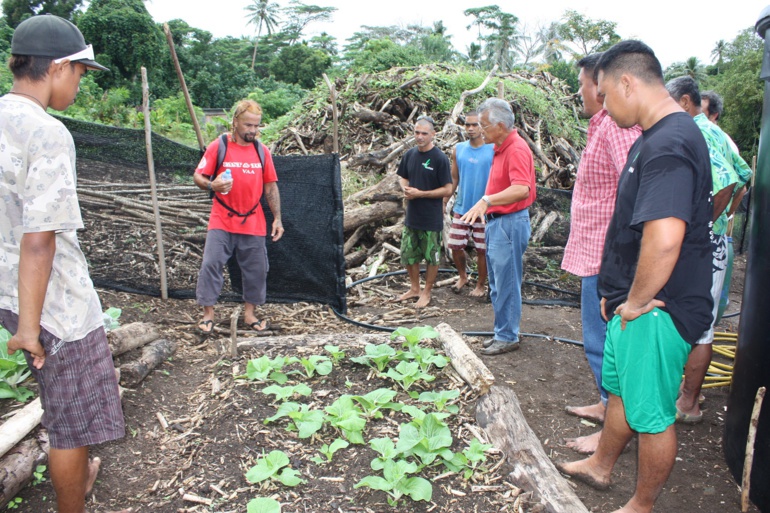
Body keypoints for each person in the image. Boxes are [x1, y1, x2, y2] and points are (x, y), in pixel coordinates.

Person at [556, 41, 713, 513]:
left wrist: (635, 301)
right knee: (623, 393)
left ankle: (641, 504)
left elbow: (665, 238)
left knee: (652, 415)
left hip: (656, 309)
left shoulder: (668, 143)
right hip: (636, 302)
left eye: (605, 94)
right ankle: (602, 465)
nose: (603, 105)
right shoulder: (654, 135)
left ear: (627, 82)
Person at [0, 14, 129, 513]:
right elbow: (40, 241)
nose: (78, 84)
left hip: (8, 291)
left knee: (63, 417)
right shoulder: (47, 132)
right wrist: (31, 328)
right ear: (56, 67)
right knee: (70, 424)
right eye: (78, 73)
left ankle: (81, 477)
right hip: (54, 307)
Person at [561, 53, 641, 454]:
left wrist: (620, 263)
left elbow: (633, 192)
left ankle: (615, 429)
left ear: (602, 83)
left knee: (603, 341)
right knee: (599, 340)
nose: (579, 91)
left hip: (605, 258)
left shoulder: (617, 129)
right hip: (592, 250)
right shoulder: (600, 126)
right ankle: (605, 403)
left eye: (582, 84)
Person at [665, 76, 753, 424]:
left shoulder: (699, 131)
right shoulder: (718, 134)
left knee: (699, 325)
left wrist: (703, 226)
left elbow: (728, 181)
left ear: (685, 102)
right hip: (714, 241)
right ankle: (687, 393)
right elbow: (744, 176)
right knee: (699, 320)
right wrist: (727, 216)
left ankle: (688, 402)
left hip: (705, 246)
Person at [194, 100, 284, 334]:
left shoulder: (261, 151)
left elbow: (271, 187)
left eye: (256, 126)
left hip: (253, 219)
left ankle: (250, 314)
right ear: (235, 122)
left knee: (256, 268)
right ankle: (207, 315)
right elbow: (198, 176)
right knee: (211, 264)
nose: (252, 130)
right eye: (248, 125)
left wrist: (277, 218)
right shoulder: (219, 146)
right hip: (222, 218)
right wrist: (212, 185)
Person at [461, 98, 536, 356]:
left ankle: (507, 335)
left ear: (501, 126)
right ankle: (503, 330)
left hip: (509, 222)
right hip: (498, 222)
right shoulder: (499, 147)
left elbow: (521, 188)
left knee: (506, 281)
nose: (480, 130)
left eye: (484, 125)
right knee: (498, 282)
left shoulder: (516, 149)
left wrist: (487, 200)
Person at [395, 116, 453, 308]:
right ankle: (414, 288)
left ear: (433, 135)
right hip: (412, 217)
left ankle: (427, 291)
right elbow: (402, 177)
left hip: (431, 218)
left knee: (431, 256)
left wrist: (421, 194)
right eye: (417, 133)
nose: (419, 137)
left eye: (424, 133)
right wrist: (405, 188)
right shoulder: (410, 155)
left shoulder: (439, 158)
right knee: (408, 254)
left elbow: (447, 189)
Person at [447, 111, 494, 297]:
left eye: (475, 124)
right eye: (467, 125)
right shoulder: (458, 149)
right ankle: (463, 276)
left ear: (482, 126)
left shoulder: (492, 150)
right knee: (455, 245)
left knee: (482, 249)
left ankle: (481, 285)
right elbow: (454, 178)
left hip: (484, 209)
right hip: (462, 208)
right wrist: (445, 200)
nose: (471, 128)